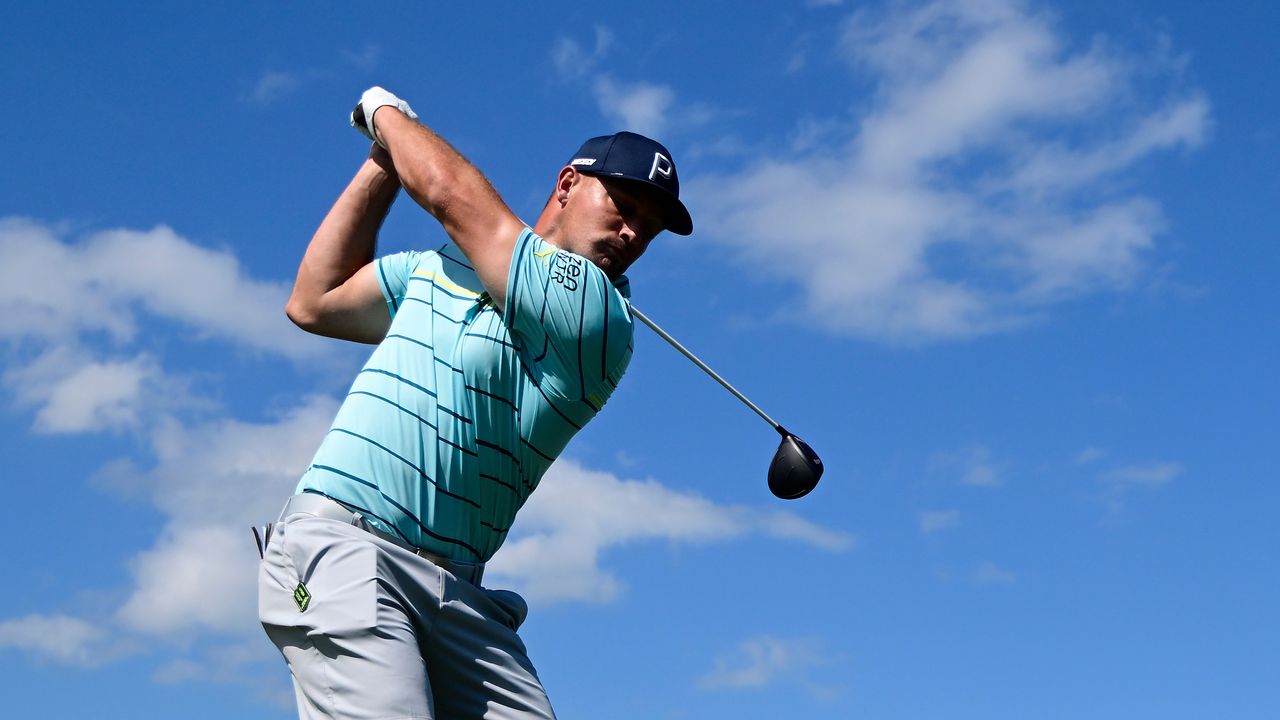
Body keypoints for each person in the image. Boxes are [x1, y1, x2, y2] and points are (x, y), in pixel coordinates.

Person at [257, 86, 693, 720]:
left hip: (461, 594)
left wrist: (385, 117)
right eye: (623, 206)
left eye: (647, 231)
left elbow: (450, 194)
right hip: (347, 545)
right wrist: (386, 159)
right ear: (568, 183)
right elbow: (314, 301)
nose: (631, 233)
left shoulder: (597, 317)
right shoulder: (443, 269)